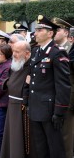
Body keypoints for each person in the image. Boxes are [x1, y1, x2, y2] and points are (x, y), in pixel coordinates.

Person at [24, 15, 71, 158]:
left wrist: (59, 112)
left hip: (50, 110)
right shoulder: (36, 51)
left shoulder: (57, 53)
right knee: (39, 146)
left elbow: (63, 85)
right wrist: (27, 101)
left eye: (39, 30)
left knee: (55, 147)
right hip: (36, 106)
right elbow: (30, 79)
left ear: (50, 33)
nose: (35, 33)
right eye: (36, 30)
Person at [0, 41, 31, 158]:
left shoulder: (31, 66)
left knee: (19, 139)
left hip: (22, 106)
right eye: (13, 51)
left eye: (17, 52)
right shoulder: (16, 64)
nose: (14, 54)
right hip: (12, 104)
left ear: (27, 54)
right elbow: (10, 79)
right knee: (11, 137)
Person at [52, 17, 74, 158]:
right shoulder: (52, 49)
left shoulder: (70, 49)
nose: (54, 32)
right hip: (53, 95)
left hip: (68, 97)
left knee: (66, 133)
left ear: (66, 33)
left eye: (57, 29)